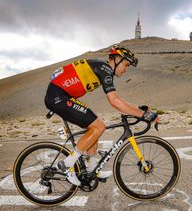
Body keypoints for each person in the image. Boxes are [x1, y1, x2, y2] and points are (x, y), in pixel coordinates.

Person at [44, 45, 159, 186]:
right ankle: (67, 165)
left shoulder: (102, 67)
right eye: (126, 65)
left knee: (94, 125)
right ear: (117, 59)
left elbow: (118, 100)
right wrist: (144, 115)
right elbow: (115, 101)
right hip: (58, 97)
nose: (126, 70)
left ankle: (93, 168)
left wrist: (139, 110)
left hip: (61, 95)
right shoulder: (105, 69)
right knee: (99, 126)